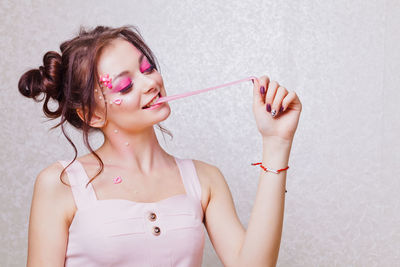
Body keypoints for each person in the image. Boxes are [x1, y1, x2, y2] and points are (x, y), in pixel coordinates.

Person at [19, 25, 302, 267]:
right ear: (93, 115)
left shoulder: (205, 180)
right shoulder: (60, 184)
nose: (150, 83)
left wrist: (276, 143)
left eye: (147, 68)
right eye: (125, 85)